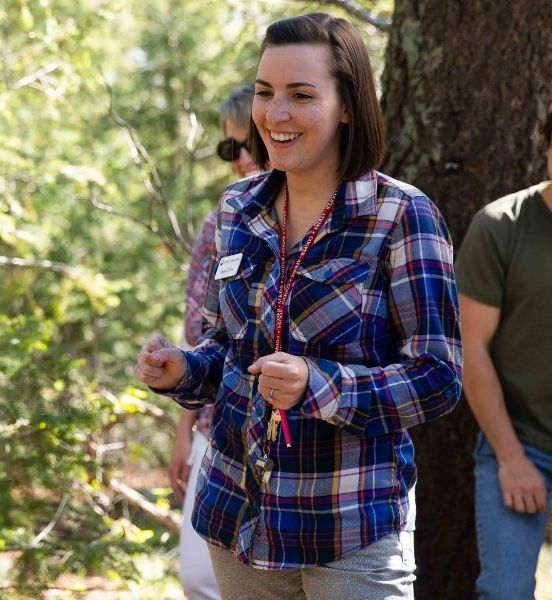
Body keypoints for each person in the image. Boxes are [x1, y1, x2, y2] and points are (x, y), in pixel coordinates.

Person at [137, 13, 462, 600]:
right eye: (265, 92)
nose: (274, 114)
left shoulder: (400, 217)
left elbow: (438, 378)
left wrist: (320, 384)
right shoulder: (238, 207)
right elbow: (226, 351)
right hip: (237, 520)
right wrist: (184, 369)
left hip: (350, 530)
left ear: (347, 105)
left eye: (301, 95)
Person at [456, 81, 552, 600]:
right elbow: (470, 350)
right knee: (506, 591)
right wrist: (512, 458)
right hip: (516, 442)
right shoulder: (499, 227)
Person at [168, 84, 258, 600]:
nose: (241, 158)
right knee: (199, 579)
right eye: (230, 148)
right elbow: (200, 337)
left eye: (250, 143)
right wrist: (184, 433)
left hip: (285, 437)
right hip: (213, 423)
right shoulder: (218, 222)